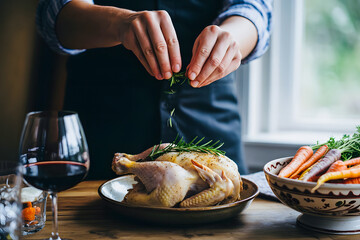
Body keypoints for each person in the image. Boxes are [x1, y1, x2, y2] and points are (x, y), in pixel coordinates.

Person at [36, 0, 272, 179]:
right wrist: (120, 24)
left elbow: (254, 8)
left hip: (209, 122)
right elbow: (54, 16)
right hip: (103, 124)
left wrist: (233, 38)